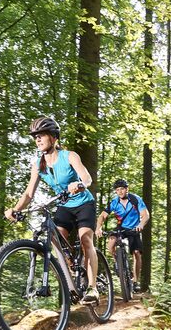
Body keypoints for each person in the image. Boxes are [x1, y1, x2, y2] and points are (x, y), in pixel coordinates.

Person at [5, 116, 100, 304]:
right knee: (56, 241)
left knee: (85, 239)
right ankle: (71, 277)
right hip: (64, 205)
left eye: (42, 135)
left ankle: (92, 288)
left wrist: (79, 184)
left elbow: (87, 179)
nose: (37, 139)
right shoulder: (38, 165)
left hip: (83, 204)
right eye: (35, 137)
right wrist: (15, 209)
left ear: (54, 138)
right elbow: (29, 194)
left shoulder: (70, 156)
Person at [95, 178, 150, 293]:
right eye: (117, 190)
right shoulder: (114, 202)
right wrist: (98, 228)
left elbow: (145, 215)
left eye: (122, 189)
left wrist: (141, 224)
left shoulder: (135, 199)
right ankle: (118, 263)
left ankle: (135, 281)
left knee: (136, 253)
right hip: (121, 228)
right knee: (110, 245)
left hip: (134, 228)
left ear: (127, 189)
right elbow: (102, 216)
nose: (120, 192)